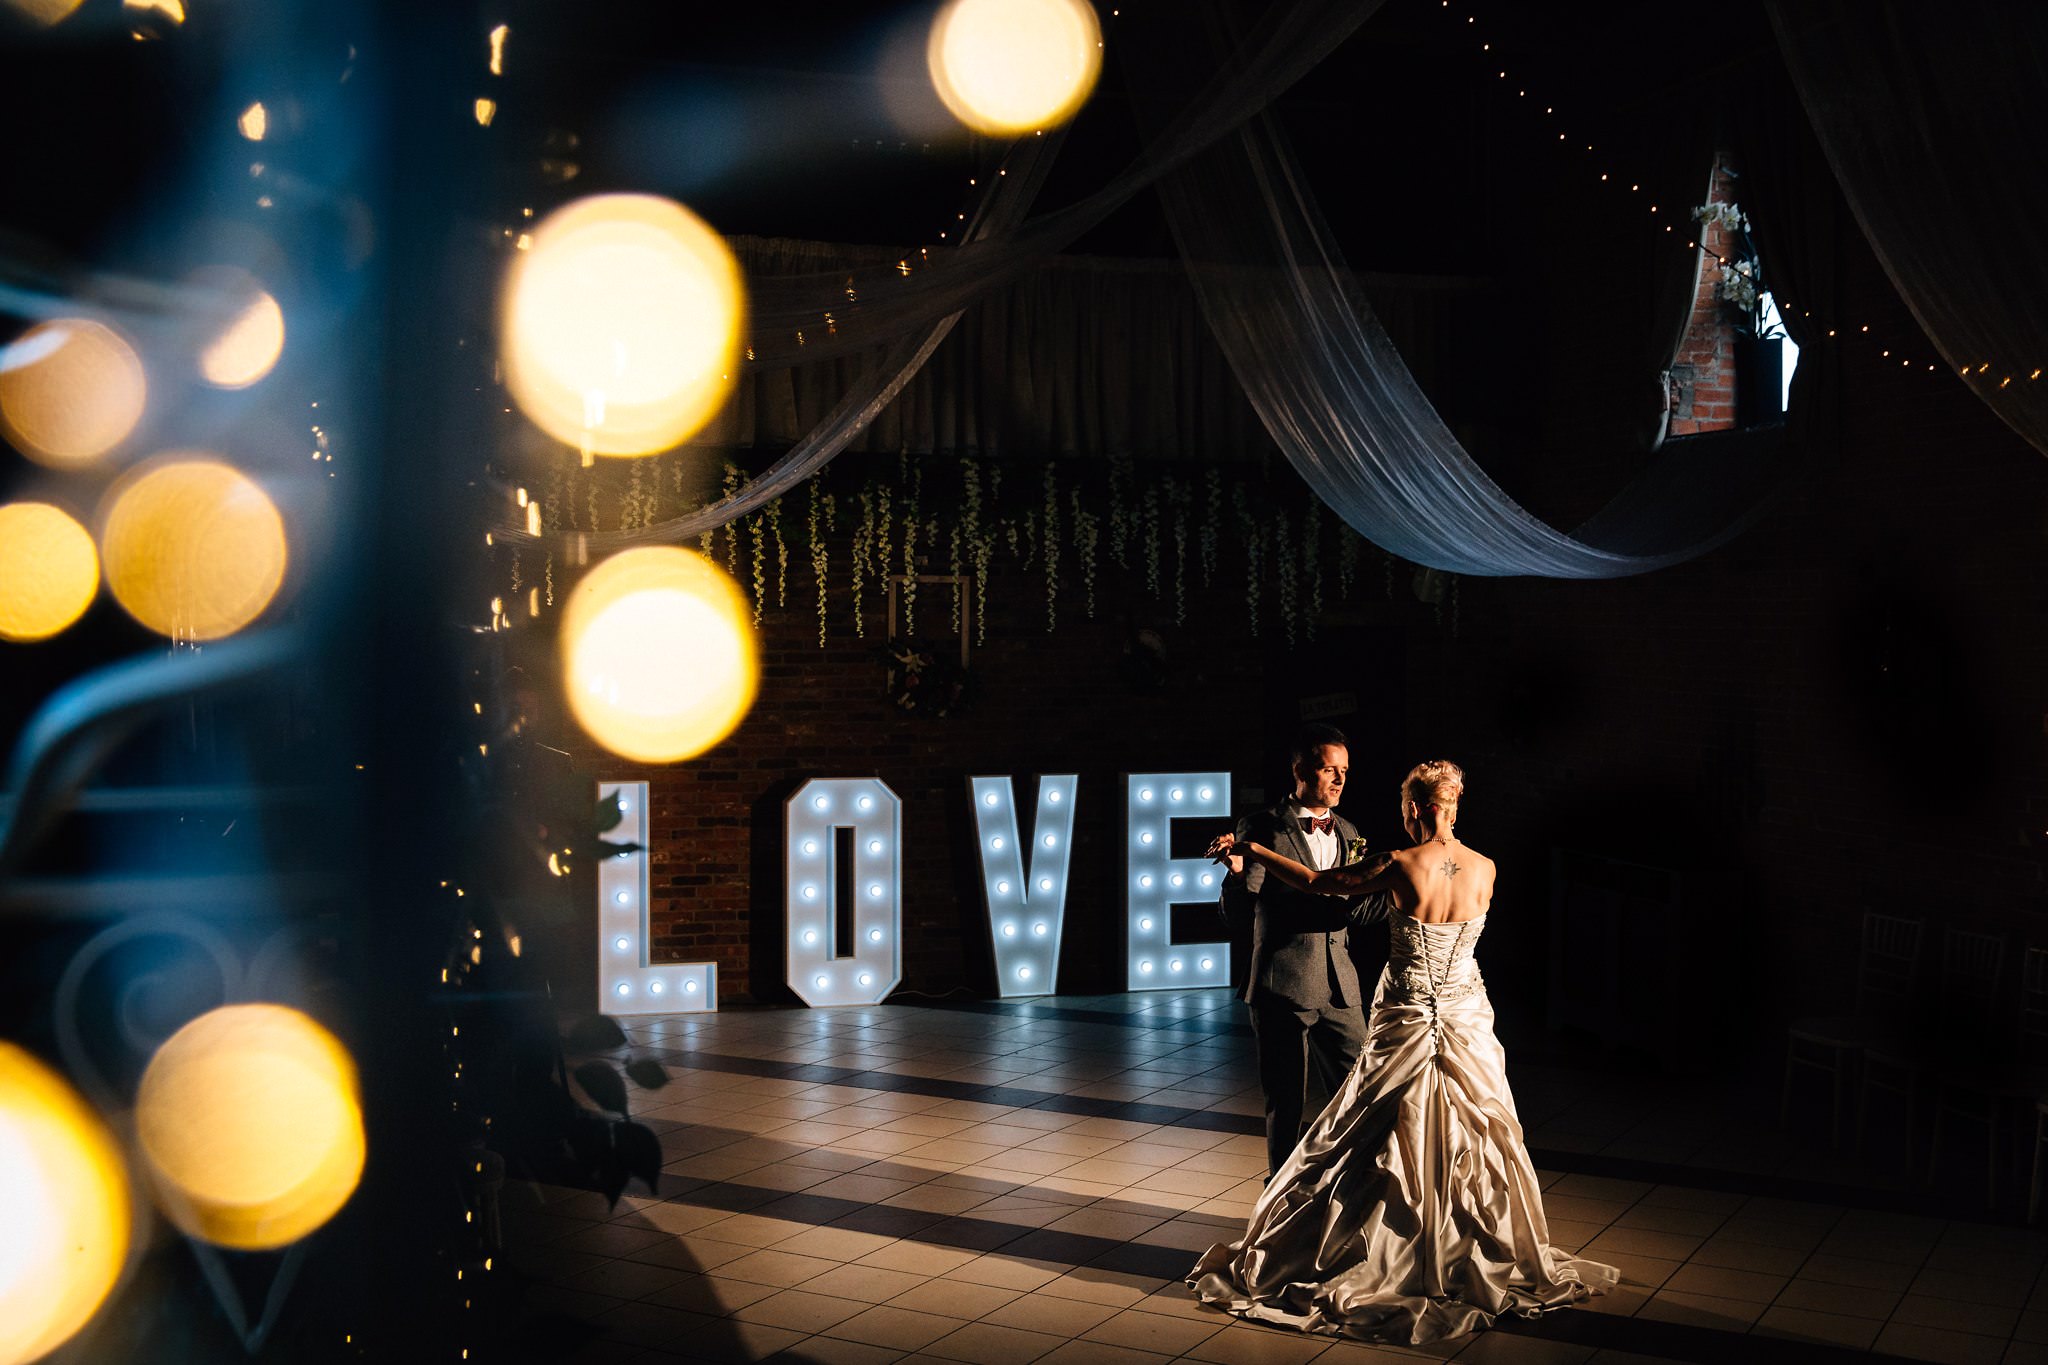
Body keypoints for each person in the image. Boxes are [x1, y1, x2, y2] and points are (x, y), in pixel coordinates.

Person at [1191, 760, 1617, 1345]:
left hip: (1409, 1008)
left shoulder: (1398, 863)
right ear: (1454, 806)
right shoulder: (1486, 868)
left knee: (1378, 1129)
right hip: (1464, 1011)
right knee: (1474, 1132)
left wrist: (1257, 853)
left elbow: (1320, 886)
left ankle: (1378, 1246)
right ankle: (1459, 1243)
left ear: (1414, 808)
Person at [1219, 725, 1388, 1180]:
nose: (1339, 780)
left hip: (1341, 988)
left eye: (1345, 771)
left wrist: (1398, 893)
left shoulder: (1349, 831)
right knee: (1286, 1103)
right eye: (1329, 769)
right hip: (1282, 985)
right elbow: (1241, 913)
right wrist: (1236, 875)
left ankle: (1350, 1189)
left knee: (1363, 1091)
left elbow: (1358, 913)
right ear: (1299, 769)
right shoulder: (1261, 826)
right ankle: (1281, 1203)